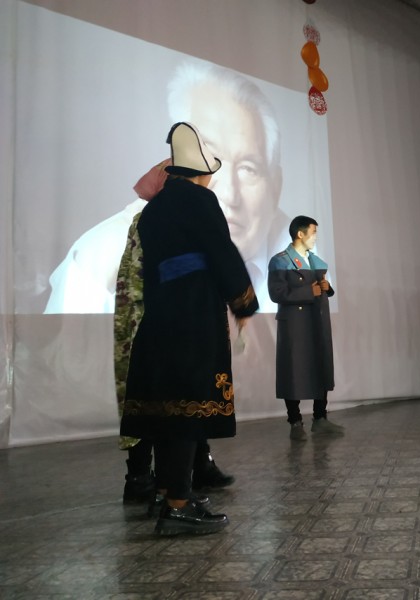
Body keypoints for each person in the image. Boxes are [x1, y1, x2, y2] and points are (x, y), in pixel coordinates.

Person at [45, 61, 287, 314]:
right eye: (209, 161)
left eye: (248, 169)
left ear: (275, 188)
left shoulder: (299, 247)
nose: (229, 194)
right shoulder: (101, 252)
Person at [120, 122, 259, 535]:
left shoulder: (152, 211)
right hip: (194, 315)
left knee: (166, 407)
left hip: (161, 315)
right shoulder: (200, 199)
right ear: (202, 173)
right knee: (186, 406)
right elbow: (220, 250)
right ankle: (178, 506)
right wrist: (243, 301)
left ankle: (168, 492)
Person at [115, 160, 234, 508]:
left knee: (182, 401)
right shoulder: (155, 218)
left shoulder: (162, 216)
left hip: (161, 318)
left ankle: (185, 477)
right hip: (147, 321)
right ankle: (143, 479)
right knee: (164, 401)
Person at [267, 216, 342, 440]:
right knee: (293, 370)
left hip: (316, 321)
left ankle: (320, 418)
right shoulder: (280, 261)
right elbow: (276, 293)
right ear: (300, 234)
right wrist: (309, 292)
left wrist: (327, 287)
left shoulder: (316, 261)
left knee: (321, 364)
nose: (316, 237)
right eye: (313, 232)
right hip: (295, 325)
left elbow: (320, 288)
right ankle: (295, 422)